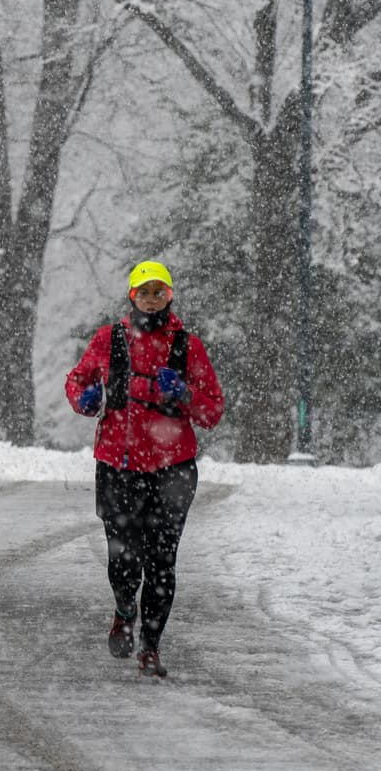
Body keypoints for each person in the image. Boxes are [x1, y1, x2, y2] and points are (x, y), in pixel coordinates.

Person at [65, 261, 224, 678]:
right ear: (131, 296)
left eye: (160, 292)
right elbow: (77, 381)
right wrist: (85, 399)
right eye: (144, 292)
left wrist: (185, 393)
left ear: (170, 296)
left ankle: (151, 647)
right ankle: (123, 609)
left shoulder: (187, 347)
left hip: (172, 472)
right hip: (118, 468)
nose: (152, 300)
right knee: (123, 562)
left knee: (161, 563)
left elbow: (212, 411)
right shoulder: (109, 339)